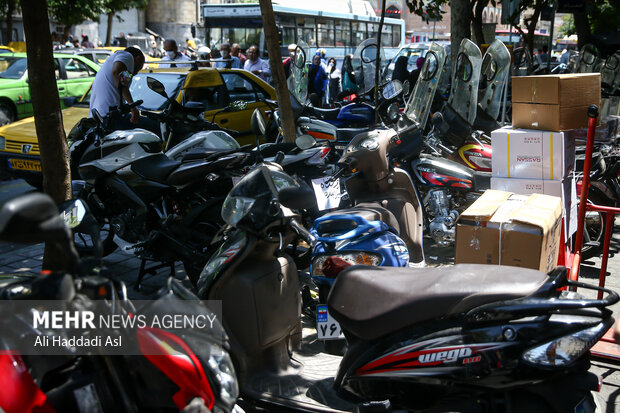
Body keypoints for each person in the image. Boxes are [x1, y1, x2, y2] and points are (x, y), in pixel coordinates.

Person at [89, 47, 145, 124]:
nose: (136, 73)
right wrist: (132, 107)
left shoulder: (114, 61)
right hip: (108, 116)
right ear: (138, 59)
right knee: (153, 126)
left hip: (100, 117)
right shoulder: (127, 55)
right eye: (139, 68)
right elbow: (116, 72)